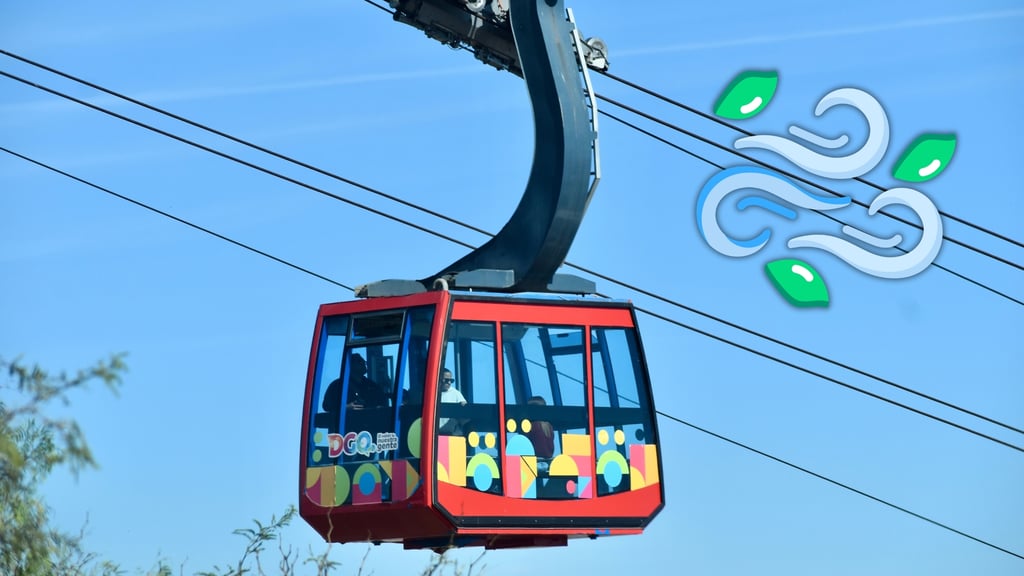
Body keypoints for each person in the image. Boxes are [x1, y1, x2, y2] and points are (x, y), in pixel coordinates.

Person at [322, 353, 387, 414]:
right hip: (347, 421)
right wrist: (345, 408)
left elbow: (383, 403)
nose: (364, 364)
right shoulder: (337, 385)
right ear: (350, 366)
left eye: (364, 362)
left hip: (370, 420)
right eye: (359, 362)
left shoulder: (372, 385)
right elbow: (326, 406)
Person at [437, 369, 467, 435]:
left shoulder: (456, 394)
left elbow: (464, 415)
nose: (449, 383)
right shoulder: (431, 394)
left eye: (451, 380)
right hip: (433, 434)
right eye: (446, 380)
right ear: (438, 378)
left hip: (451, 435)